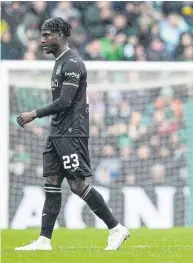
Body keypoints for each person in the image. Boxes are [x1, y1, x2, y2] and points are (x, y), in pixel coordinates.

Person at [15, 17, 130, 251]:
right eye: (42, 35)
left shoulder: (73, 64)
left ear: (60, 35)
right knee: (52, 182)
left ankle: (116, 228)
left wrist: (34, 113)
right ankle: (44, 240)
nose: (42, 40)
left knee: (77, 185)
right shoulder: (59, 62)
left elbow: (65, 102)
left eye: (47, 35)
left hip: (72, 133)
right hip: (57, 132)